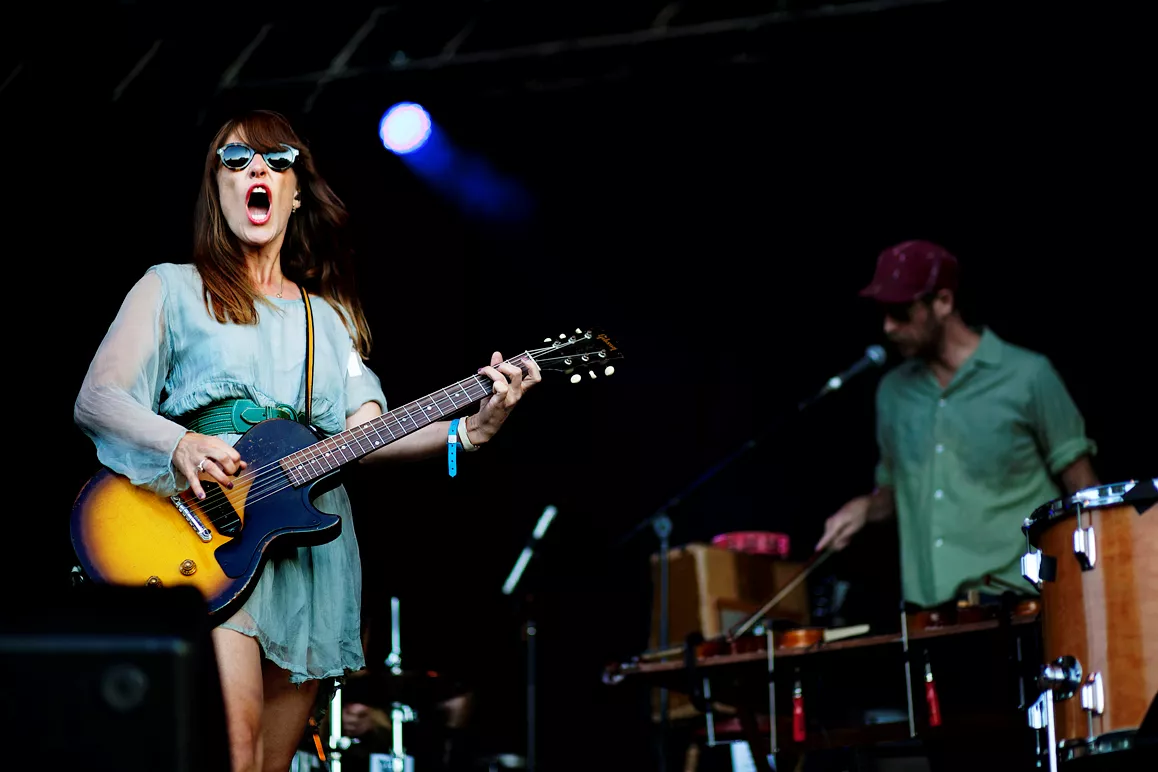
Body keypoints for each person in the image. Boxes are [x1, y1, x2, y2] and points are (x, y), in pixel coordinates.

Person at [72, 108, 541, 772]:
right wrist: (180, 443)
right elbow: (98, 398)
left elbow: (366, 433)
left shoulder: (328, 319)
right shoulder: (170, 288)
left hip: (303, 555)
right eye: (236, 161)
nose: (256, 170)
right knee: (233, 751)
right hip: (203, 533)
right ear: (218, 188)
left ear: (294, 192)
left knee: (271, 763)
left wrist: (469, 430)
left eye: (276, 160)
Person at [815, 239, 1099, 610]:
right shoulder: (893, 393)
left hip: (1021, 603)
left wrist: (1095, 593)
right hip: (928, 614)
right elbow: (896, 490)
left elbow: (1083, 489)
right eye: (883, 313)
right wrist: (865, 508)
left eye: (900, 312)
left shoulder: (1027, 375)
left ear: (943, 302)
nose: (888, 327)